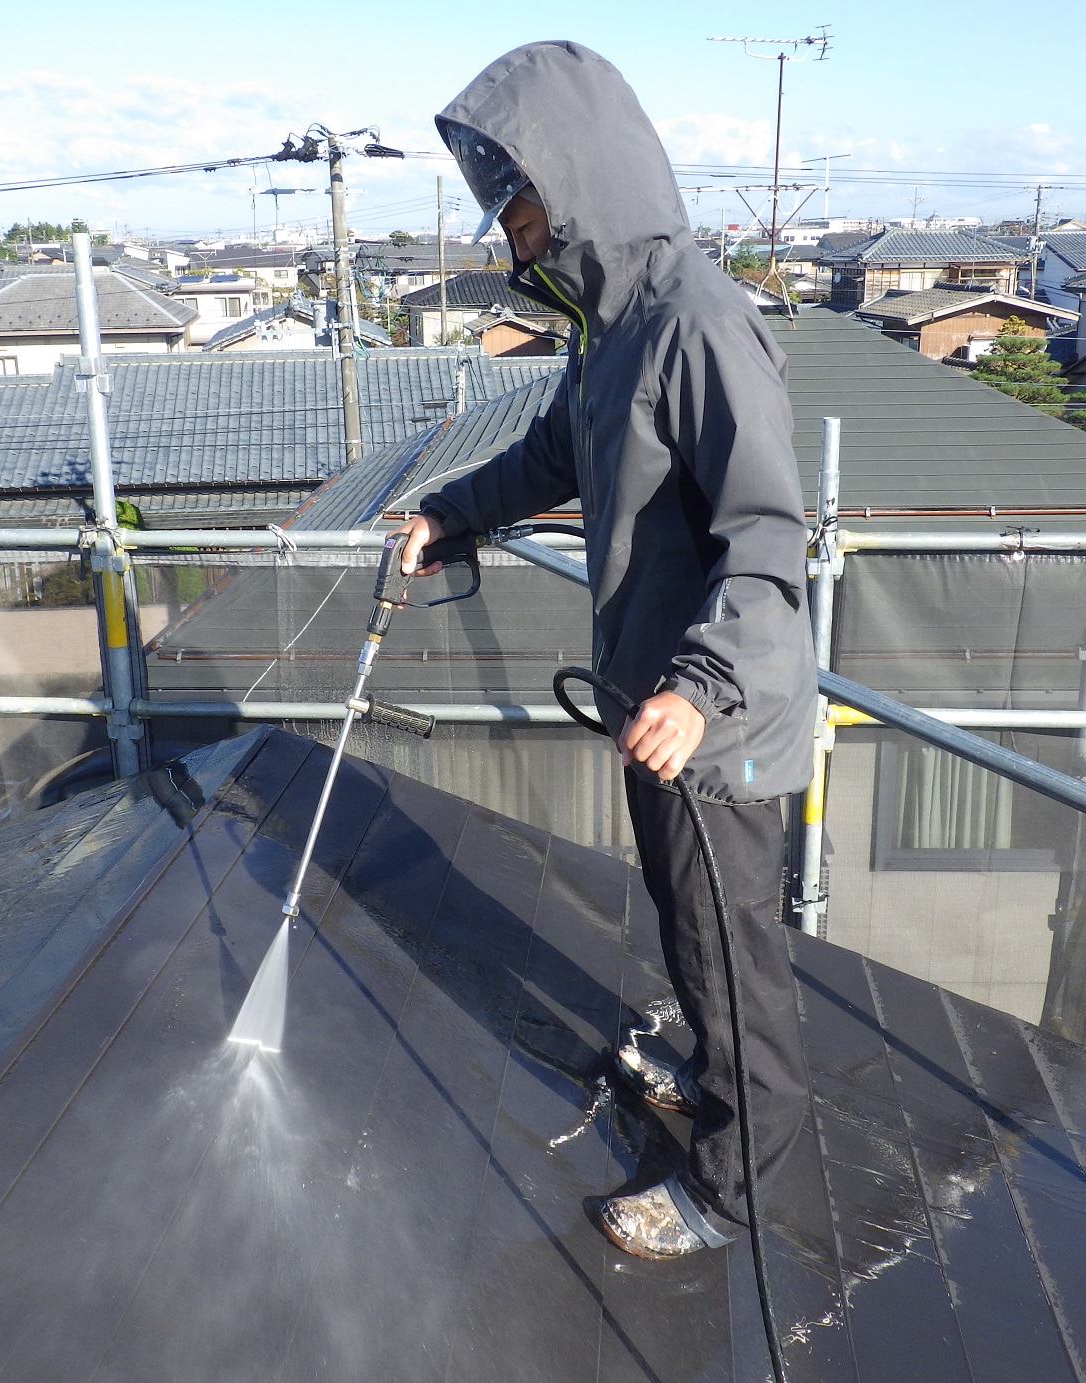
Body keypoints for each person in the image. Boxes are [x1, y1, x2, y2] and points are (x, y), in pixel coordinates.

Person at [393, 41, 817, 1260]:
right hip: (656, 696)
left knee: (731, 953)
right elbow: (553, 457)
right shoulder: (610, 328)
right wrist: (450, 512)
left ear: (576, 181)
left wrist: (697, 689)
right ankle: (706, 1073)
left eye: (518, 204)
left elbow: (766, 536)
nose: (510, 235)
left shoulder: (698, 325)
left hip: (711, 717)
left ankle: (734, 1191)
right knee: (690, 926)